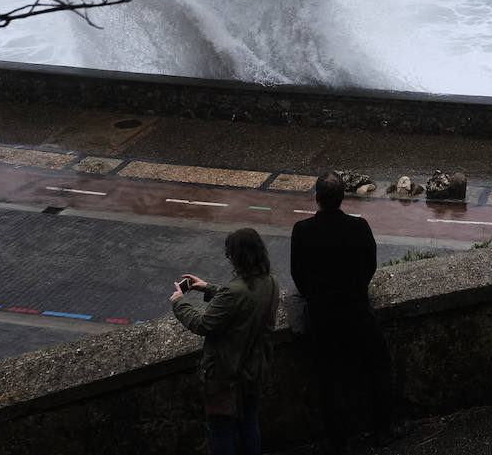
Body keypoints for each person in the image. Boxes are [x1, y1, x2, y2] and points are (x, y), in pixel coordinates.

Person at [290, 170, 404, 454]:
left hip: (322, 317)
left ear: (316, 198)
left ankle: (339, 442)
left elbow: (298, 275)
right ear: (343, 198)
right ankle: (383, 429)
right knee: (379, 367)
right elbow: (370, 265)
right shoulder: (360, 227)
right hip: (357, 311)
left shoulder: (301, 231)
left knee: (330, 380)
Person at [171, 227, 281, 455]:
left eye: (230, 255)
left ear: (237, 258)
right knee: (249, 422)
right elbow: (243, 298)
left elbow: (203, 324)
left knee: (220, 429)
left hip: (225, 373)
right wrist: (208, 288)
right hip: (255, 369)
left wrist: (179, 302)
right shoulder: (271, 282)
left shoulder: (233, 292)